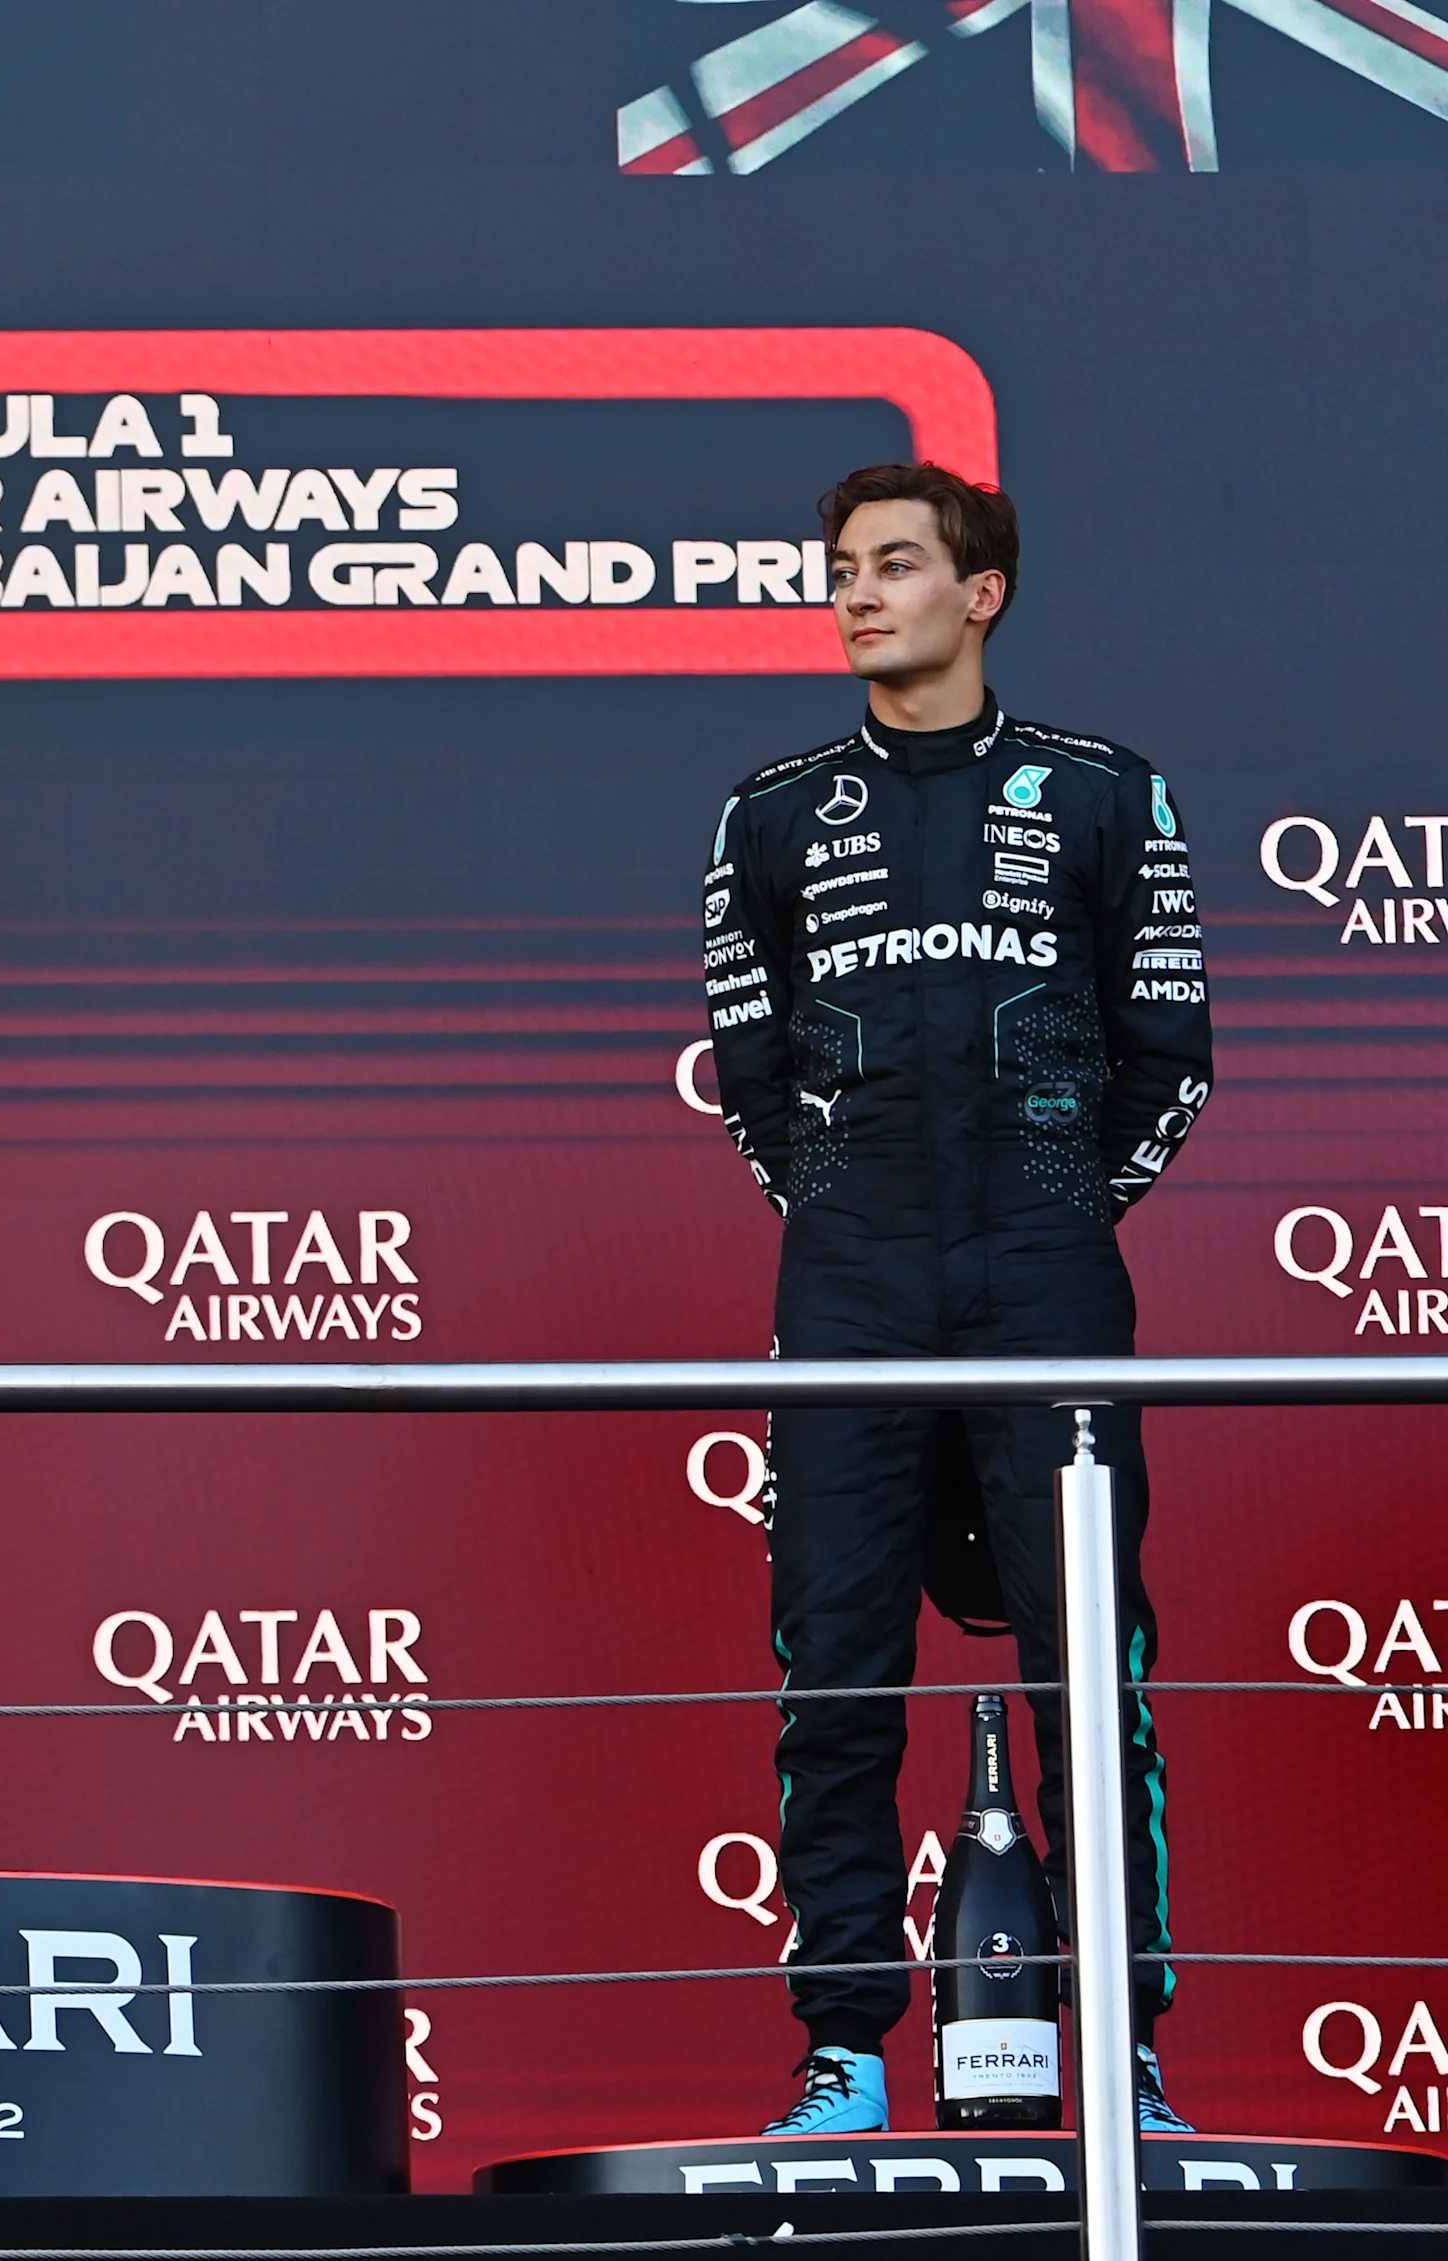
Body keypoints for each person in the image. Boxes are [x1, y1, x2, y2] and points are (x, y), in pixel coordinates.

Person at [702, 464, 1209, 2136]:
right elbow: (753, 1071)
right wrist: (845, 1210)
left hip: (1043, 1270)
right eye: (841, 570)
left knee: (1089, 1675)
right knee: (834, 1674)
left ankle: (1117, 2054)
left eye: (896, 566)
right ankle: (844, 2050)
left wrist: (1055, 1210)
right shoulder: (769, 813)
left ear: (979, 593)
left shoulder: (1105, 795)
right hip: (849, 1280)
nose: (857, 596)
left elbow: (1172, 1061)